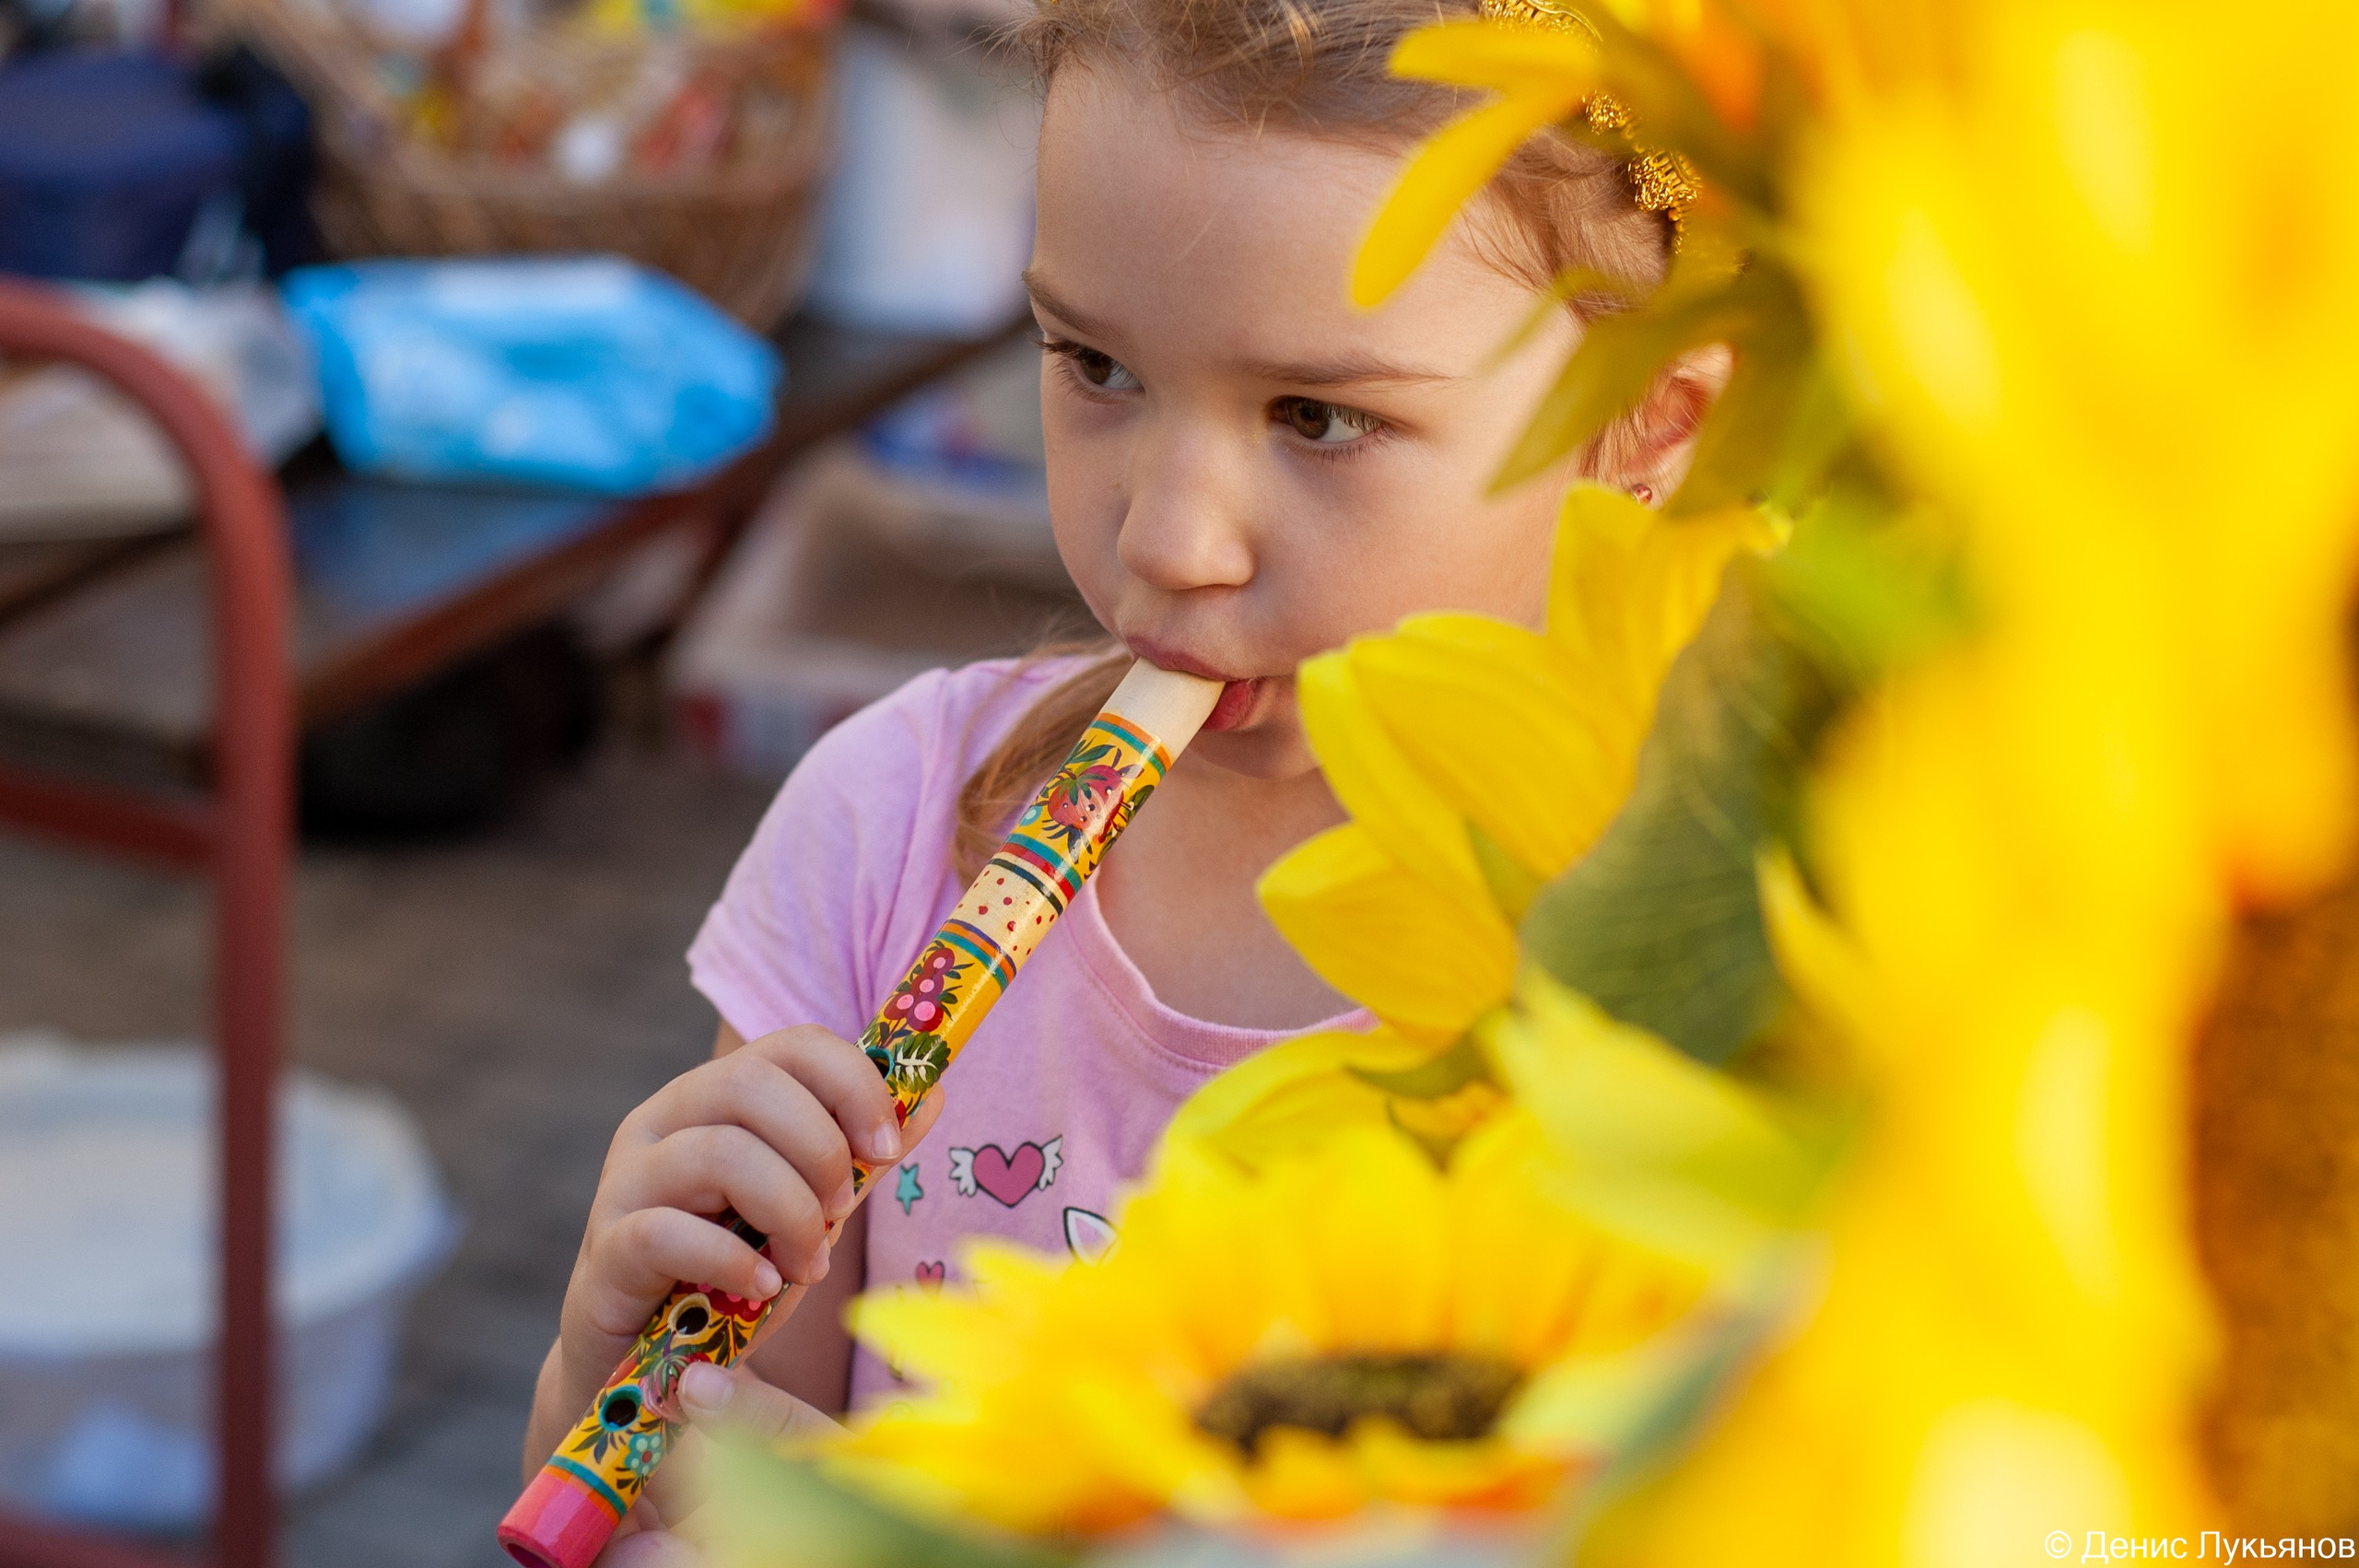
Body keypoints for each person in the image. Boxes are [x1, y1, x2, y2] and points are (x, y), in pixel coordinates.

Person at [521, 0, 1720, 1553]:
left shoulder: (1694, 974)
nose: (1166, 538)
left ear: (1642, 426)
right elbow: (706, 1491)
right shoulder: (890, 823)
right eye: (1094, 364)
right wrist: (603, 1380)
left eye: (1318, 416)